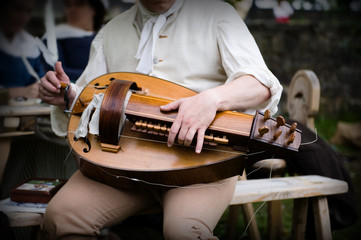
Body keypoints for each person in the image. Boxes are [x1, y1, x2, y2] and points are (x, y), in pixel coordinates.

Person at [38, 0, 283, 239]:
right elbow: (90, 97)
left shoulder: (217, 14)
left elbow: (260, 83)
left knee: (184, 233)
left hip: (200, 166)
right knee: (61, 218)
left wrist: (212, 99)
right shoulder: (112, 31)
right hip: (121, 165)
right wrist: (68, 98)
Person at [43, 0, 107, 82]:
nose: (72, 9)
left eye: (79, 4)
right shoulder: (55, 37)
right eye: (68, 5)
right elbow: (55, 71)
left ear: (94, 9)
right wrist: (98, 76)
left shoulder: (106, 35)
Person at [0, 0, 43, 100]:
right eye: (17, 9)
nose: (23, 17)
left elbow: (38, 77)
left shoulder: (29, 44)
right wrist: (21, 92)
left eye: (28, 11)